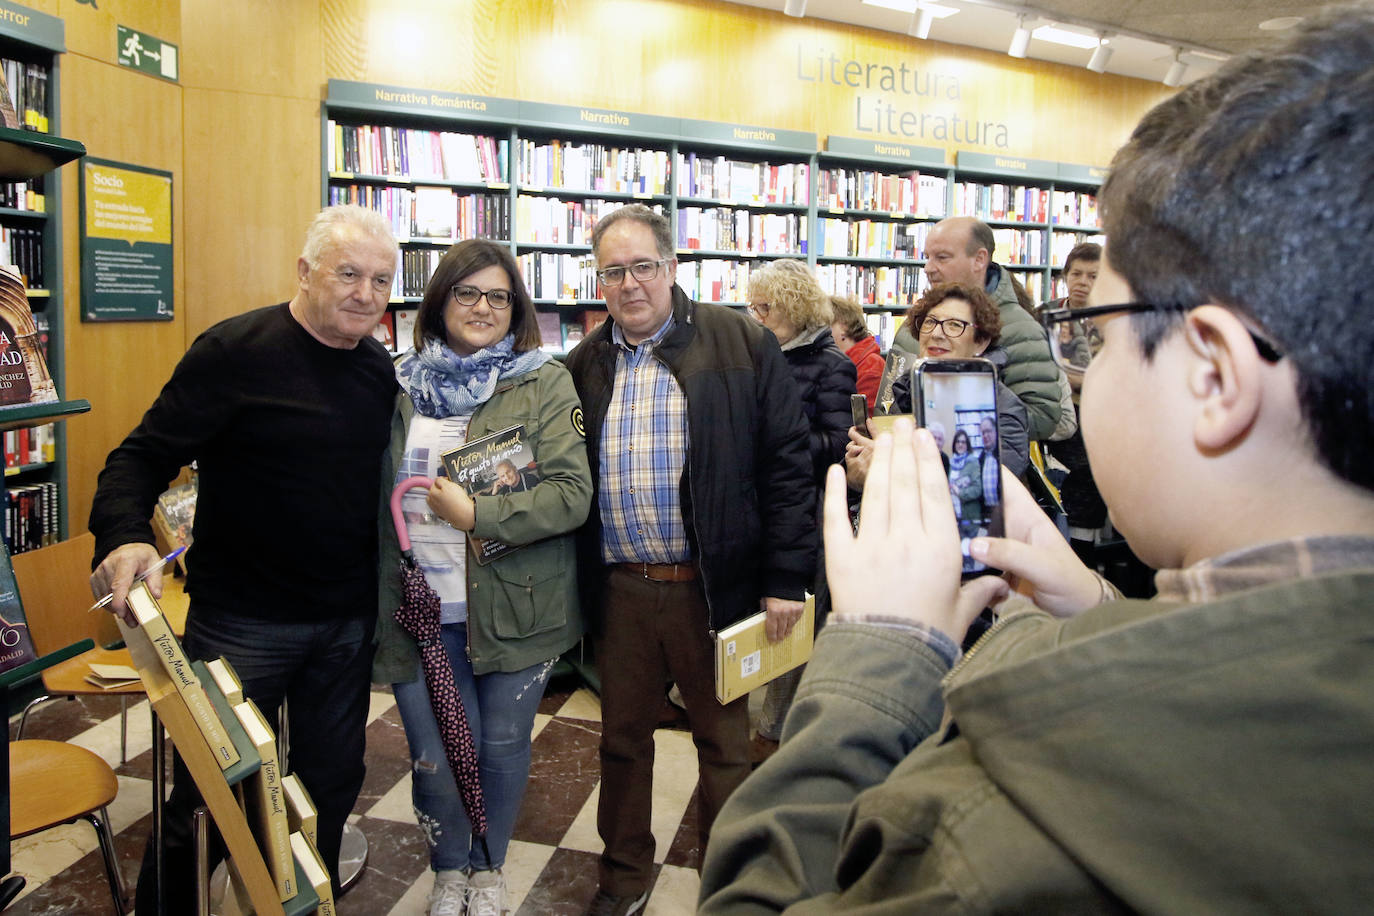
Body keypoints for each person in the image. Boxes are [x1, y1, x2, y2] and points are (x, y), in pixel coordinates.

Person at [698, 9, 1374, 909]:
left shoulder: (1008, 821)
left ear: (1213, 375)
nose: (1086, 357)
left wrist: (879, 657)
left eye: (1098, 326)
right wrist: (1097, 610)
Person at [88, 204, 400, 911]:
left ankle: (300, 900)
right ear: (304, 271)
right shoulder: (234, 351)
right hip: (242, 623)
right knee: (208, 794)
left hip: (345, 626)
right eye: (349, 274)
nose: (365, 295)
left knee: (330, 782)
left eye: (381, 281)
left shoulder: (379, 369)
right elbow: (138, 457)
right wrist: (124, 535)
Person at [563, 204, 814, 916]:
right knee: (621, 742)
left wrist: (784, 577)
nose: (630, 284)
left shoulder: (741, 343)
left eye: (644, 267)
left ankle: (728, 882)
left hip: (718, 588)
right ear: (599, 281)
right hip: (623, 591)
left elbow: (787, 464)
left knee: (725, 746)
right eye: (614, 271)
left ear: (671, 269)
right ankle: (623, 878)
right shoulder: (582, 365)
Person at [374, 239, 592, 916]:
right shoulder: (397, 384)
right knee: (437, 759)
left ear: (516, 307)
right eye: (467, 292)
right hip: (420, 609)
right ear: (439, 300)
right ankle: (448, 870)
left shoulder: (542, 381)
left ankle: (487, 868)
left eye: (498, 296)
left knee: (498, 752)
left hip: (518, 607)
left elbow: (571, 494)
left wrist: (480, 512)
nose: (483, 308)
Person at [745, 259, 857, 764]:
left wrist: (775, 442)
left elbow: (837, 443)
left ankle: (773, 730)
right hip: (755, 499)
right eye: (754, 306)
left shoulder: (832, 365)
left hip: (803, 508)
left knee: (792, 617)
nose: (756, 316)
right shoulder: (760, 352)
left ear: (791, 307)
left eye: (765, 307)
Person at [846, 281, 1029, 494]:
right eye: (930, 322)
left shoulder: (1002, 407)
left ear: (981, 342)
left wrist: (888, 467)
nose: (937, 334)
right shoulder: (904, 391)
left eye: (954, 325)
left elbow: (984, 487)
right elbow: (866, 468)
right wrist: (858, 465)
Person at [894, 216, 1062, 440]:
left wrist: (959, 417)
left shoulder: (1021, 330)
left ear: (979, 259)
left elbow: (1042, 416)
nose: (928, 268)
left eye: (942, 258)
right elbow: (889, 400)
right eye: (927, 257)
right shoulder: (913, 323)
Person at [1044, 242, 1110, 563]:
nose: (1082, 282)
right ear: (1065, 276)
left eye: (1093, 276)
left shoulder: (1113, 323)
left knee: (1084, 522)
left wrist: (1067, 376)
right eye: (1076, 273)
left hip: (1095, 429)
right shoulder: (1046, 315)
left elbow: (1114, 377)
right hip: (1051, 428)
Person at [827, 294, 884, 413]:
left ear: (843, 326)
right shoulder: (841, 360)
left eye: (826, 324)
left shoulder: (871, 366)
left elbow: (863, 422)